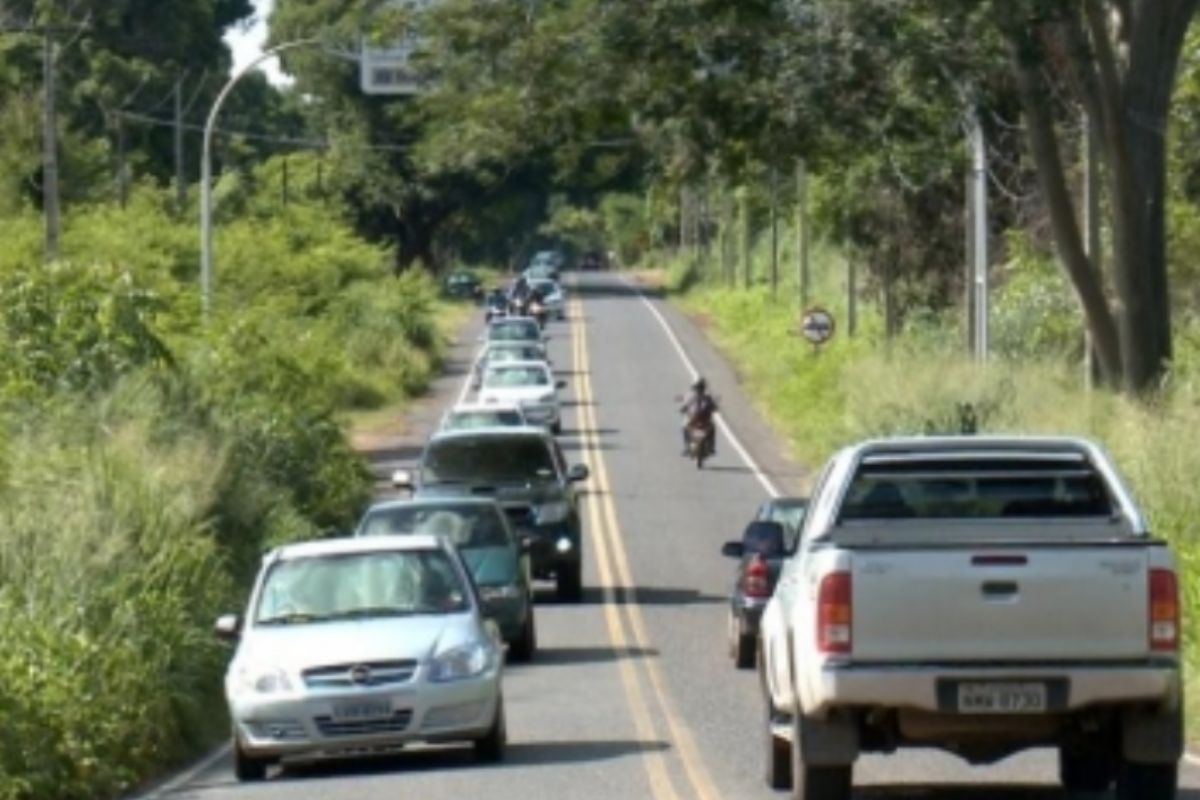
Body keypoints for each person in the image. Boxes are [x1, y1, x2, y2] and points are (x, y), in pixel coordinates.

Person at [679, 377, 718, 457]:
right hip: (700, 421)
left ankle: (687, 447)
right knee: (712, 428)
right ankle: (711, 447)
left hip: (696, 420)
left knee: (684, 426)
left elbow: (684, 406)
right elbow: (714, 407)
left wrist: (683, 409)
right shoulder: (707, 397)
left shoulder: (691, 396)